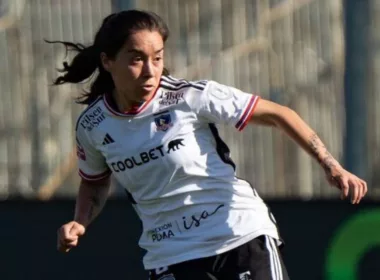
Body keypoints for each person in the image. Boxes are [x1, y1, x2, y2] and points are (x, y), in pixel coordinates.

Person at [50, 10, 367, 280]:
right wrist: (80, 221)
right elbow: (93, 184)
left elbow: (280, 114)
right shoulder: (93, 126)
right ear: (107, 61)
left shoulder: (189, 97)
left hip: (238, 235)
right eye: (136, 59)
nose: (150, 71)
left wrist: (331, 164)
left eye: (157, 58)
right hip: (169, 252)